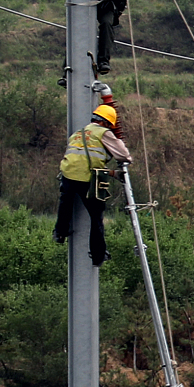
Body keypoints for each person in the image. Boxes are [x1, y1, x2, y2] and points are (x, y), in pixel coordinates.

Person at [54, 103, 131, 267]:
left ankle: (59, 233)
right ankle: (98, 255)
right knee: (96, 217)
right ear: (105, 123)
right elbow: (123, 155)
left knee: (65, 203)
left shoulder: (77, 133)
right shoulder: (103, 133)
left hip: (67, 174)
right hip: (87, 178)